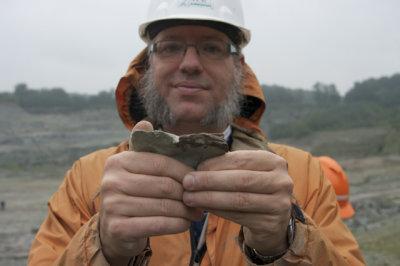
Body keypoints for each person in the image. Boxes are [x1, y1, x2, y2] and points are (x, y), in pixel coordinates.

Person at [28, 0, 365, 265]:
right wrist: (105, 247)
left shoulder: (301, 175)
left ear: (239, 68)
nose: (189, 63)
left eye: (212, 47)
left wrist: (288, 239)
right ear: (148, 65)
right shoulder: (88, 180)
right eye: (171, 47)